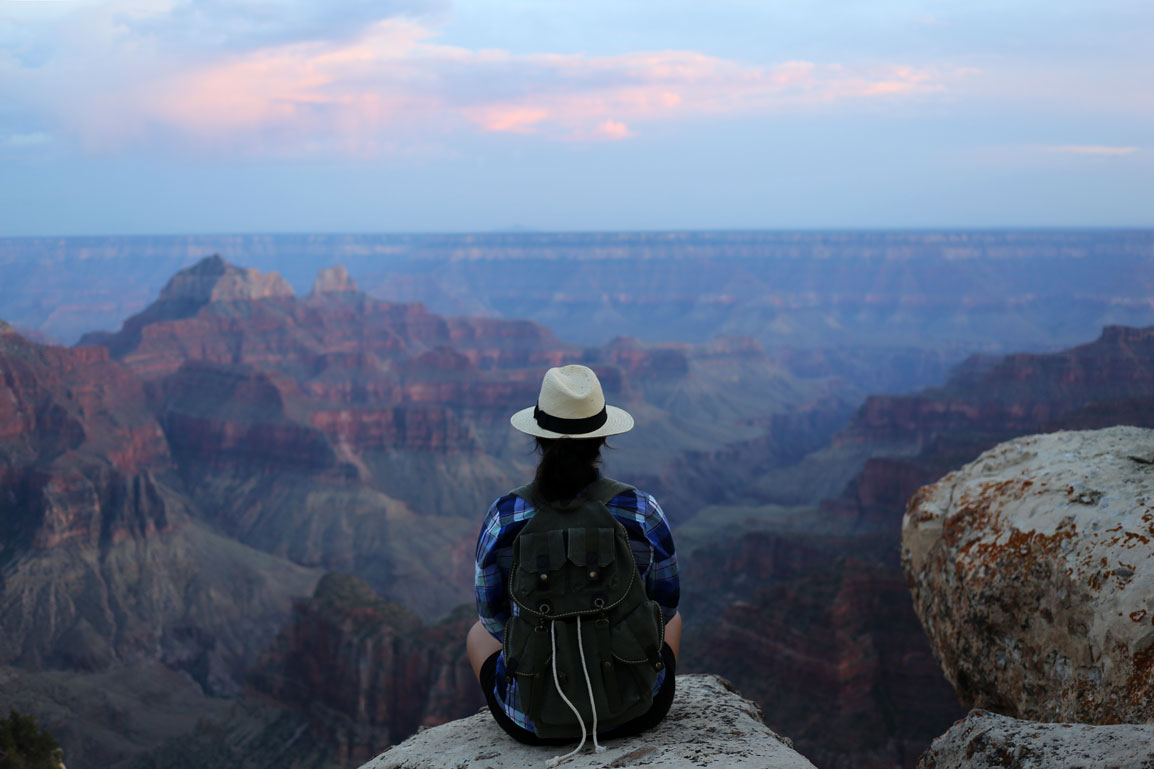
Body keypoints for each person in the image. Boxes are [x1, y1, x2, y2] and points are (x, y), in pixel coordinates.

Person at [467, 364, 682, 755]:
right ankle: (634, 690)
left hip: (532, 723)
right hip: (638, 711)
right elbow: (665, 605)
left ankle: (535, 702)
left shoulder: (506, 515)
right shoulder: (640, 509)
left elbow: (494, 619)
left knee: (476, 633)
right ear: (602, 438)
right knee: (673, 619)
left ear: (537, 436)